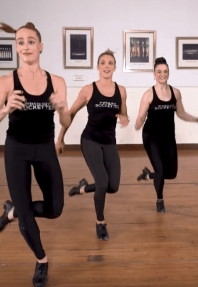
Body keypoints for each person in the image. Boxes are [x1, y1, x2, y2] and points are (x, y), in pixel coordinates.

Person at [0, 22, 69, 287]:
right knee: (28, 215)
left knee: (55, 209)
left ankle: (13, 211)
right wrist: (6, 109)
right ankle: (41, 261)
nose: (25, 46)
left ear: (40, 46)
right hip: (17, 150)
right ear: (16, 47)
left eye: (31, 41)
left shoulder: (56, 81)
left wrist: (60, 107)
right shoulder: (6, 81)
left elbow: (65, 120)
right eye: (20, 41)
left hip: (44, 148)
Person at [56, 50, 129, 241]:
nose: (106, 66)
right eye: (103, 62)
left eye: (110, 63)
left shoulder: (121, 90)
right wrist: (60, 138)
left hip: (109, 142)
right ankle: (100, 222)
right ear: (98, 67)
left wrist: (124, 119)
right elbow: (70, 113)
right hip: (90, 140)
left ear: (114, 67)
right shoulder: (88, 89)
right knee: (103, 183)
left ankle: (83, 188)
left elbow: (124, 114)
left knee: (113, 186)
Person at [135, 57, 198, 212]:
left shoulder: (175, 93)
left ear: (168, 73)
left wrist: (196, 119)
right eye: (159, 71)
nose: (162, 74)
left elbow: (181, 113)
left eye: (165, 71)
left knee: (171, 174)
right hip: (151, 137)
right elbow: (141, 116)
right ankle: (160, 199)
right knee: (160, 171)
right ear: (154, 73)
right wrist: (138, 123)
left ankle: (149, 175)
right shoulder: (148, 94)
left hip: (168, 138)